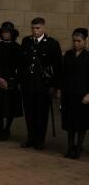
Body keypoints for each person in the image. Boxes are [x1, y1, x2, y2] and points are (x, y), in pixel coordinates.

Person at [19, 17, 61, 150]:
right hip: (28, 85)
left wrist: (54, 86)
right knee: (30, 113)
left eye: (37, 28)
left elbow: (57, 66)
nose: (35, 30)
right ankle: (30, 138)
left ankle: (39, 140)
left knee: (41, 114)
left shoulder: (52, 43)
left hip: (43, 86)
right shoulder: (26, 41)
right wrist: (21, 80)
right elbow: (21, 64)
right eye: (33, 28)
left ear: (43, 28)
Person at [0, 22, 23, 141]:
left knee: (9, 107)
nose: (5, 34)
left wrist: (11, 82)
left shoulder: (17, 47)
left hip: (10, 80)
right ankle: (1, 129)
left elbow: (19, 66)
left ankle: (7, 129)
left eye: (7, 32)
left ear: (12, 33)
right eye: (3, 32)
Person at [58, 28, 89, 159]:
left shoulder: (88, 57)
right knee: (70, 122)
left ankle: (78, 147)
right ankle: (70, 147)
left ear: (85, 41)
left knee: (81, 123)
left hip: (82, 95)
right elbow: (62, 74)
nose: (76, 43)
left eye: (79, 41)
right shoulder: (68, 55)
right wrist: (60, 90)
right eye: (74, 41)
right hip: (68, 93)